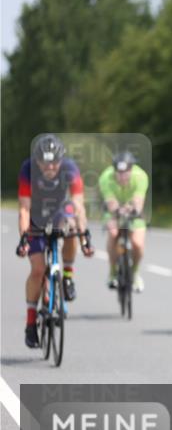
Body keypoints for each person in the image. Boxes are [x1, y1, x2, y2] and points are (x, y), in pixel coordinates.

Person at [15, 134, 94, 348]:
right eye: (45, 162)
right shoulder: (27, 169)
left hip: (60, 212)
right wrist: (24, 237)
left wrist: (85, 234)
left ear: (61, 160)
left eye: (54, 162)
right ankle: (31, 323)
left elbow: (78, 205)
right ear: (37, 161)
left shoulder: (70, 168)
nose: (50, 166)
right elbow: (24, 208)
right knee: (38, 270)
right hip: (36, 215)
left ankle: (67, 276)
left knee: (72, 227)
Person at [99, 151, 150, 292]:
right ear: (114, 170)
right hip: (113, 211)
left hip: (133, 210)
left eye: (126, 172)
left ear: (131, 169)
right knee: (114, 233)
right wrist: (116, 212)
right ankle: (112, 272)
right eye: (119, 172)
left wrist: (131, 209)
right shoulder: (106, 177)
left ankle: (135, 273)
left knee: (138, 244)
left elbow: (138, 200)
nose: (122, 176)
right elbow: (110, 202)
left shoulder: (141, 176)